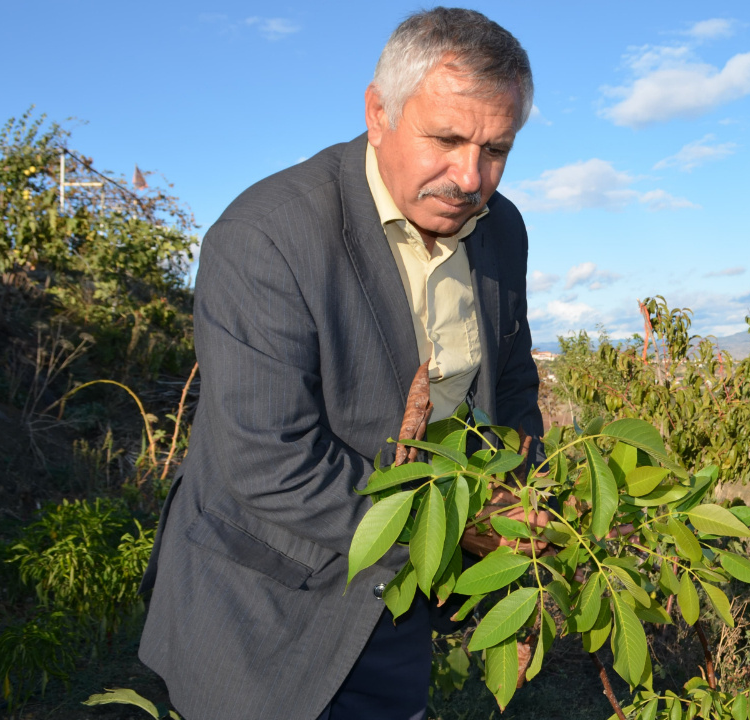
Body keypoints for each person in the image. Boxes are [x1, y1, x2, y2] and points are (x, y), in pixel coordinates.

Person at [137, 8, 543, 720]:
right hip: (266, 611)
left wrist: (524, 493)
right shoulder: (266, 235)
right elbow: (269, 459)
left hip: (403, 601)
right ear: (378, 112)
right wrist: (455, 524)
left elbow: (510, 380)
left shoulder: (501, 230)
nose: (471, 176)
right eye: (446, 139)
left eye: (497, 149)